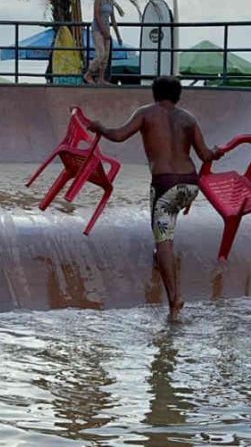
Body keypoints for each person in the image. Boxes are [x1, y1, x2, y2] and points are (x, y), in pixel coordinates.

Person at [88, 76, 222, 321]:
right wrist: (217, 152)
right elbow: (205, 155)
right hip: (190, 186)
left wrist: (100, 128)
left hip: (165, 185)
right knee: (167, 220)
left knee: (164, 238)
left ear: (154, 94)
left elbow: (118, 136)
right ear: (178, 96)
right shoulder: (189, 119)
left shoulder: (146, 113)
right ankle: (159, 255)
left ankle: (174, 298)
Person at [83, 0, 122, 85]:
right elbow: (96, 15)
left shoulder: (110, 2)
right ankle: (88, 74)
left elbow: (113, 19)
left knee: (106, 56)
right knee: (101, 54)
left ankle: (101, 78)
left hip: (107, 30)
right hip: (97, 29)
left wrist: (118, 35)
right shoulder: (98, 0)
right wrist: (103, 30)